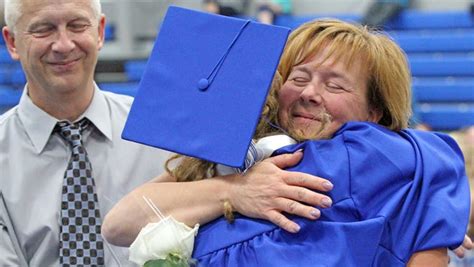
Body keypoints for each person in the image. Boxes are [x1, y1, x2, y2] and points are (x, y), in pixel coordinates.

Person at [103, 17, 471, 266]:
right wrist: (235, 191)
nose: (311, 93)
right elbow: (118, 225)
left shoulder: (409, 167)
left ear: (374, 111)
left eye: (335, 85)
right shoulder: (231, 152)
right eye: (299, 77)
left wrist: (430, 215)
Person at [0, 0, 170, 265]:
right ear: (12, 43)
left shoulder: (160, 136)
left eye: (77, 26)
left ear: (100, 32)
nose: (64, 45)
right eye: (44, 30)